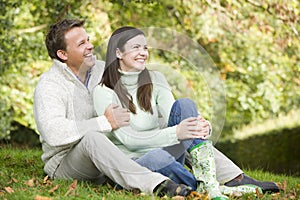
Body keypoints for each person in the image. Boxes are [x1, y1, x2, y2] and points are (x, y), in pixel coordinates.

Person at [93, 26, 280, 197]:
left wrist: (201, 127)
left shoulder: (155, 79)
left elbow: (175, 118)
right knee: (157, 156)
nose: (143, 53)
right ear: (118, 52)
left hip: (165, 154)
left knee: (185, 104)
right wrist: (176, 132)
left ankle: (208, 182)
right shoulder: (104, 92)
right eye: (135, 48)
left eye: (145, 48)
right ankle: (206, 187)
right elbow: (130, 141)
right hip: (134, 164)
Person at [33, 19, 199, 198]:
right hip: (67, 161)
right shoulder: (49, 85)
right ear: (63, 54)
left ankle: (224, 175)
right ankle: (157, 184)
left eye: (88, 40)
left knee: (171, 119)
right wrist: (104, 122)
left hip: (112, 158)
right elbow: (53, 133)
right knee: (92, 138)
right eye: (82, 43)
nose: (90, 46)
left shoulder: (103, 69)